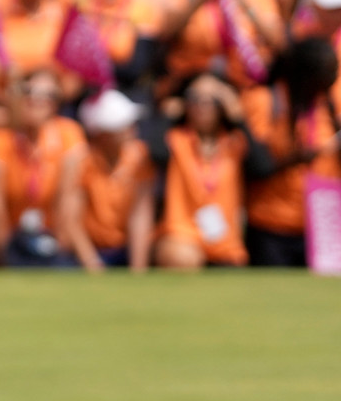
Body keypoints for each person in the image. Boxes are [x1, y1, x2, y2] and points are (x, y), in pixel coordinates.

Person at [0, 67, 91, 267]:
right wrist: (3, 257)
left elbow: (67, 197)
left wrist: (59, 249)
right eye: (29, 92)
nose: (38, 100)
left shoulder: (68, 132)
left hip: (51, 235)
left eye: (49, 95)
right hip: (11, 237)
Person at [241, 36, 341, 266]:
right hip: (271, 225)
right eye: (327, 73)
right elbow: (254, 165)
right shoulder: (264, 101)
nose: (333, 79)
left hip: (322, 227)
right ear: (306, 75)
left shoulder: (329, 105)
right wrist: (294, 159)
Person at [155, 73, 250, 269]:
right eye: (195, 97)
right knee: (181, 257)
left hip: (226, 245)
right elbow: (153, 151)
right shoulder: (175, 139)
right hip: (183, 239)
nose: (202, 105)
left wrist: (237, 116)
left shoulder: (235, 142)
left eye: (212, 99)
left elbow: (263, 165)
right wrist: (167, 117)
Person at [78, 89, 156, 271]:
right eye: (124, 126)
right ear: (104, 134)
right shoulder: (82, 161)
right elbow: (72, 220)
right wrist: (92, 263)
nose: (133, 130)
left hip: (125, 250)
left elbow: (140, 216)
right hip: (90, 252)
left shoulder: (140, 157)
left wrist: (137, 270)